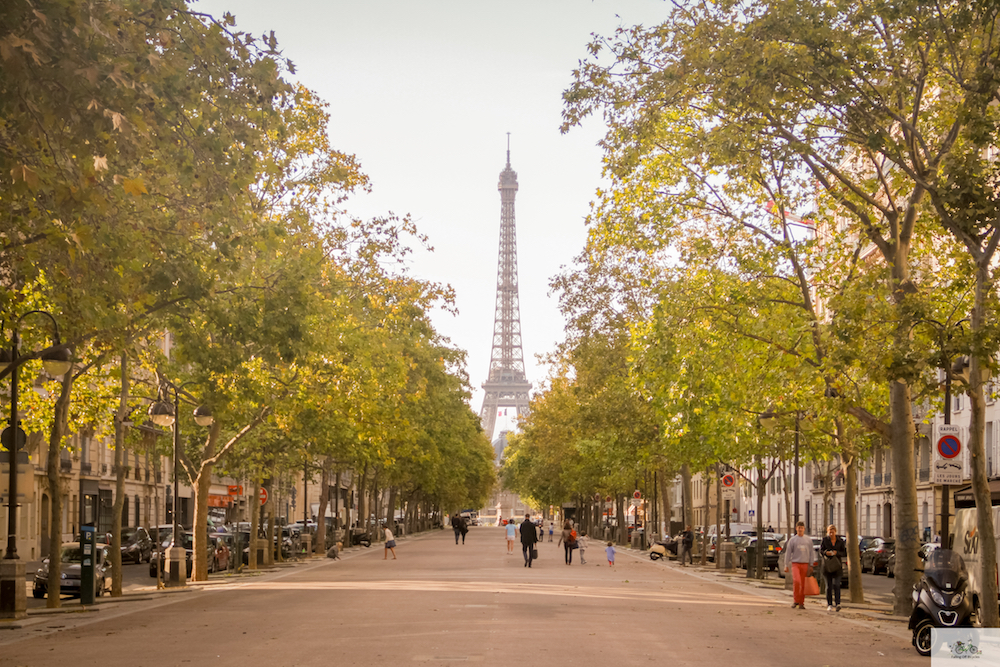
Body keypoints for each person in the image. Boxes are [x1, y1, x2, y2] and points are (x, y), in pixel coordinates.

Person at [784, 521, 813, 609]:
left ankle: (801, 602)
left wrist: (811, 564)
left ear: (804, 529)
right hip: (795, 563)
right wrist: (786, 564)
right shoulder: (793, 540)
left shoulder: (808, 540)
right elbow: (788, 553)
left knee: (803, 584)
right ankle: (795, 600)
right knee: (797, 581)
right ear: (796, 529)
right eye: (798, 528)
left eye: (802, 528)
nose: (800, 529)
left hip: (805, 563)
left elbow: (812, 553)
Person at [820, 524, 846, 612]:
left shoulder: (840, 541)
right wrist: (826, 552)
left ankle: (838, 603)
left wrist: (836, 552)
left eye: (833, 532)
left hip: (837, 566)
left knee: (837, 584)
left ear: (835, 532)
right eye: (830, 532)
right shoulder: (825, 540)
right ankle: (829, 604)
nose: (831, 534)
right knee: (829, 586)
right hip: (827, 566)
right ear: (827, 532)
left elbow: (844, 552)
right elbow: (821, 550)